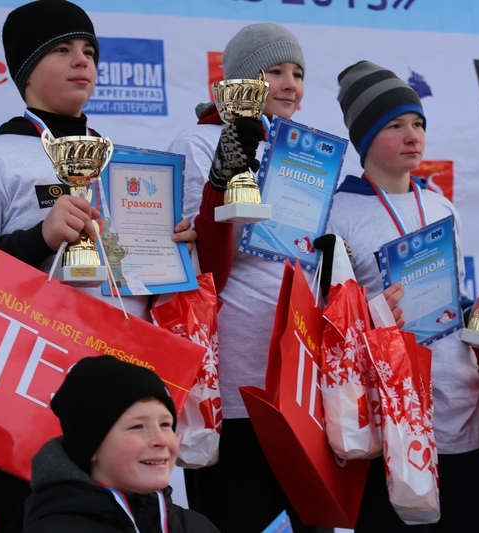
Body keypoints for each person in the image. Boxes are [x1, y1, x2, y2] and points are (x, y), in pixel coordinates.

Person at [0, 1, 193, 530]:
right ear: (25, 70)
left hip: (122, 401)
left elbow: (138, 288)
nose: (82, 62)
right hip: (25, 396)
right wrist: (39, 237)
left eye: (90, 51)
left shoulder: (130, 166)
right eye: (63, 50)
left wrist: (174, 251)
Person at [327, 60, 479, 532]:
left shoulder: (440, 204)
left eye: (418, 123)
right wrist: (374, 314)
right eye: (395, 125)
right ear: (365, 139)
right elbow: (327, 325)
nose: (413, 136)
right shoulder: (336, 214)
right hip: (393, 427)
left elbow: (452, 300)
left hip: (463, 413)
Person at [166, 23, 312, 533]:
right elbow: (194, 268)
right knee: (238, 517)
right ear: (240, 82)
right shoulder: (197, 143)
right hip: (232, 388)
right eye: (276, 71)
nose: (291, 83)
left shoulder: (302, 154)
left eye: (297, 72)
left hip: (296, 382)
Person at [22, 355, 220, 532]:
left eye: (166, 424)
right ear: (91, 444)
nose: (161, 440)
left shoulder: (196, 526)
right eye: (137, 427)